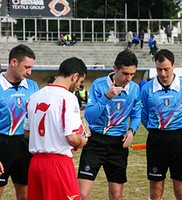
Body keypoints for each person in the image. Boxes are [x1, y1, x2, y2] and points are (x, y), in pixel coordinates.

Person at [78, 50, 141, 200]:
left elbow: (136, 115)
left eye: (132, 74)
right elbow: (90, 117)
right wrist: (107, 96)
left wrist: (132, 131)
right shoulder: (99, 85)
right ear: (115, 68)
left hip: (118, 144)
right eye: (125, 73)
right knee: (81, 193)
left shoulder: (134, 89)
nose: (128, 78)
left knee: (116, 195)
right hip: (95, 142)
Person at [23, 57, 88, 200]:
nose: (79, 86)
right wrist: (83, 139)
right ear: (74, 76)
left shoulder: (34, 97)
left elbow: (27, 133)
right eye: (80, 82)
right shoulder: (68, 98)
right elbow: (72, 138)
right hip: (58, 164)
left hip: (36, 164)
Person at [140, 49, 182, 200]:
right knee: (156, 191)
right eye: (159, 69)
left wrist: (181, 133)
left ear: (174, 65)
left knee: (181, 192)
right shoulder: (147, 89)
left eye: (166, 69)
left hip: (179, 139)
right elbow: (143, 116)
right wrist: (156, 131)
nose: (163, 74)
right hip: (156, 139)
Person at [0, 44, 39, 199]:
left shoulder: (33, 86)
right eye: (26, 67)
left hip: (25, 144)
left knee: (25, 196)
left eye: (31, 68)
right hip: (2, 144)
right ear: (14, 62)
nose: (29, 72)